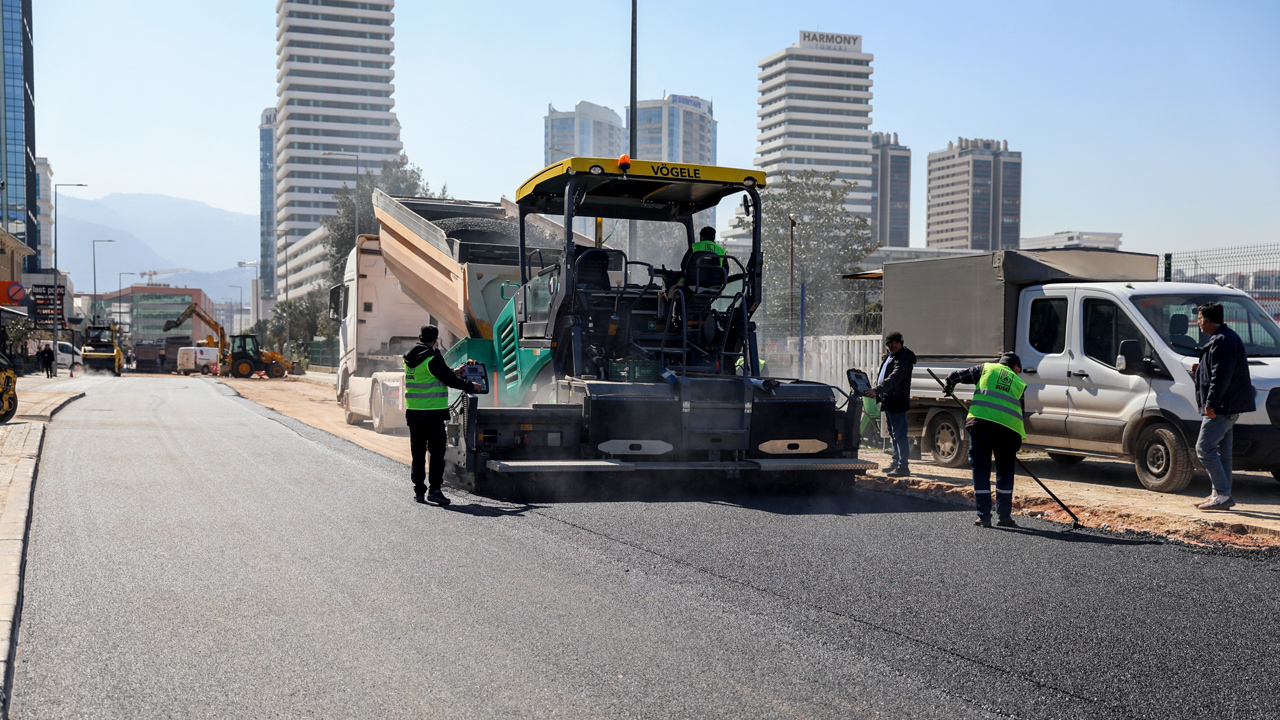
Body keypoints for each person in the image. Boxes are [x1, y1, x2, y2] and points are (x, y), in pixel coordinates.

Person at [944, 352, 1027, 528]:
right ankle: (1004, 517)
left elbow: (956, 375)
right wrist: (1016, 442)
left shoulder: (986, 368)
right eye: (1019, 369)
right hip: (1008, 432)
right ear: (1015, 367)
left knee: (981, 469)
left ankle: (984, 517)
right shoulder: (1019, 383)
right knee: (1005, 473)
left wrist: (949, 385)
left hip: (981, 426)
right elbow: (1020, 413)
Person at [403, 325, 481, 506]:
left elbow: (432, 376)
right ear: (435, 339)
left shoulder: (409, 358)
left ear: (419, 337)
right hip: (432, 415)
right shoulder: (432, 358)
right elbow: (449, 381)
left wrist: (453, 371)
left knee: (418, 453)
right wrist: (472, 386)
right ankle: (435, 491)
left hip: (414, 414)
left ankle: (419, 491)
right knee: (437, 453)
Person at [1191, 302, 1254, 511]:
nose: (1197, 323)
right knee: (1223, 450)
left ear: (1207, 321)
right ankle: (1220, 494)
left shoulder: (1222, 341)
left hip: (1221, 407)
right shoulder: (1225, 338)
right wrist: (1200, 370)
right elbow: (1219, 370)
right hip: (1228, 405)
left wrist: (1211, 403)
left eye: (1199, 319)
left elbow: (1222, 377)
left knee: (1204, 448)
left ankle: (1222, 493)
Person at [863, 331, 916, 477]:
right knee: (893, 434)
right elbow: (883, 375)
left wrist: (877, 390)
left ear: (901, 343)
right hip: (888, 400)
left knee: (900, 435)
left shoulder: (904, 359)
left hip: (898, 401)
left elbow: (895, 378)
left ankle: (903, 467)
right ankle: (896, 462)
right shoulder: (889, 357)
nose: (893, 345)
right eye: (890, 343)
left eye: (895, 343)